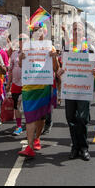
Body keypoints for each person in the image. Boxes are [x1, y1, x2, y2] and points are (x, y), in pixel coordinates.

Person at [18, 22, 59, 158]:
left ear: (44, 32)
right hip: (29, 86)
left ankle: (37, 138)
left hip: (44, 86)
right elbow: (20, 64)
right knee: (29, 117)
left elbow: (55, 68)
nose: (37, 32)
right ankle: (29, 147)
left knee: (41, 116)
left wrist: (54, 57)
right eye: (34, 30)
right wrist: (21, 57)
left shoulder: (50, 47)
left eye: (39, 30)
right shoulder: (27, 46)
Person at [61, 22, 93, 161]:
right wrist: (60, 71)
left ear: (83, 32)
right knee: (71, 118)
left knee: (82, 118)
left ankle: (84, 147)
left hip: (84, 89)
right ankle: (75, 146)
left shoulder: (90, 48)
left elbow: (93, 67)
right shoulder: (67, 48)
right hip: (70, 88)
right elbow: (62, 66)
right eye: (73, 29)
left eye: (78, 29)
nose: (76, 31)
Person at [6, 34, 29, 136]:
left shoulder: (33, 53)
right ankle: (19, 126)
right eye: (20, 39)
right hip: (16, 84)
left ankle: (30, 125)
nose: (22, 41)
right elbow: (10, 70)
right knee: (17, 106)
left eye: (24, 39)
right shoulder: (14, 54)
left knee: (28, 106)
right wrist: (8, 84)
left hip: (28, 85)